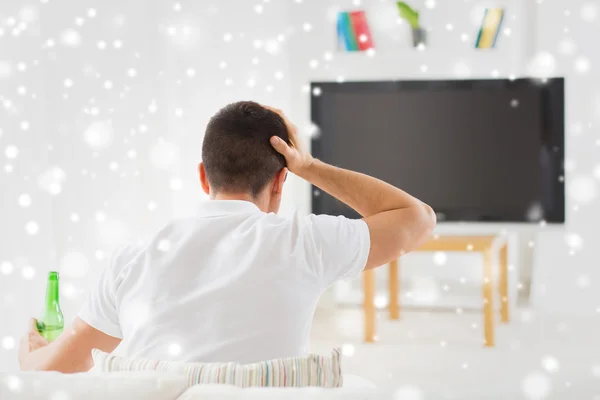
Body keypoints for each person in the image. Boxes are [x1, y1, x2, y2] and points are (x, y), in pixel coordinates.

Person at [19, 101, 436, 372]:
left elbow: (61, 366)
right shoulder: (305, 243)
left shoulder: (133, 258)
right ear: (280, 182)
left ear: (203, 176)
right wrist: (309, 166)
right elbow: (417, 219)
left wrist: (28, 356)